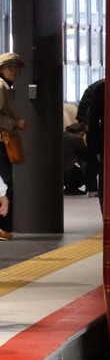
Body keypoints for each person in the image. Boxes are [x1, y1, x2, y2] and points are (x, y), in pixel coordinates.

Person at [0, 53, 26, 239]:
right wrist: (15, 124)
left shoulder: (6, 86)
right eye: (10, 67)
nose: (14, 71)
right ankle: (4, 226)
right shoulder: (1, 86)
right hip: (1, 140)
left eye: (17, 68)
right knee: (5, 183)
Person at [77, 77, 105, 196]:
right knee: (94, 156)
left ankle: (92, 188)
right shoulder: (101, 87)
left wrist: (84, 122)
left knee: (92, 156)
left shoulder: (97, 86)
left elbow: (83, 108)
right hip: (94, 125)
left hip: (92, 124)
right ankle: (97, 187)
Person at [63, 122, 88, 195]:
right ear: (81, 132)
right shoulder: (77, 139)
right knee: (90, 164)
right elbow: (85, 155)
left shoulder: (59, 135)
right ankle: (73, 187)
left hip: (55, 172)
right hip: (71, 173)